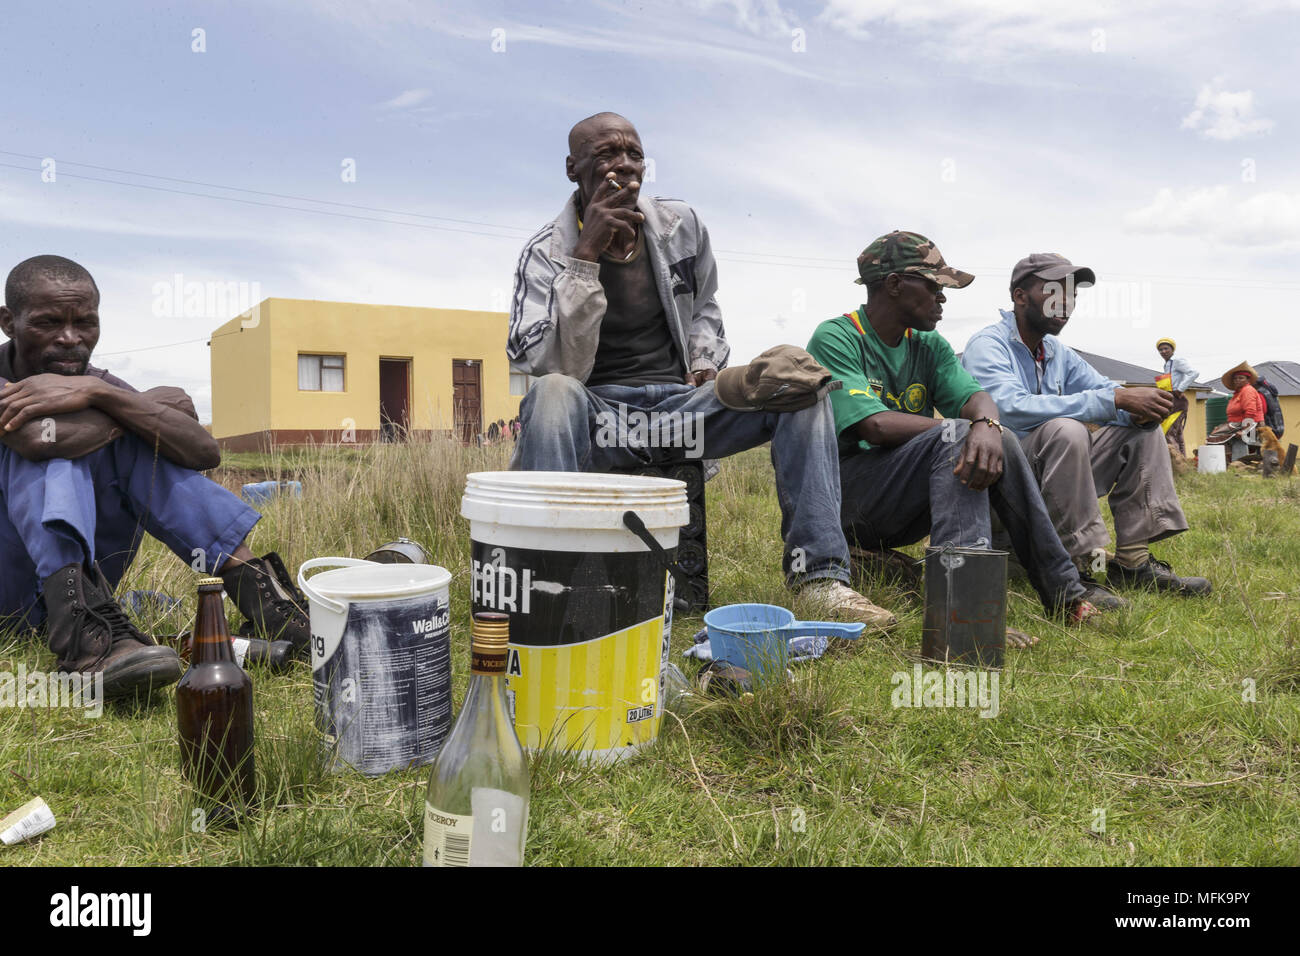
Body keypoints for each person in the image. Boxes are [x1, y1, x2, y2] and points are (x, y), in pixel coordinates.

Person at [506, 112, 893, 628]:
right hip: (596, 418)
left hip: (678, 412)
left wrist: (706, 364)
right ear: (573, 168)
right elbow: (550, 366)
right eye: (605, 156)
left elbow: (706, 306)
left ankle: (821, 579)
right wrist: (585, 255)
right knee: (551, 392)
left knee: (797, 380)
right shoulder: (545, 253)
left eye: (633, 154)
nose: (623, 166)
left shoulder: (679, 225)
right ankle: (549, 582)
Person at [0, 256, 311, 698]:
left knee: (137, 444)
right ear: (8, 321)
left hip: (75, 598)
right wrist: (140, 408)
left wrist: (103, 394)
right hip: (9, 590)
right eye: (48, 323)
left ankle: (269, 605)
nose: (70, 339)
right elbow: (38, 440)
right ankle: (85, 638)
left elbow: (204, 452)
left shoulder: (93, 382)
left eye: (85, 323)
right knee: (66, 449)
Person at [804, 231, 1103, 634]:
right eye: (933, 287)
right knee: (961, 437)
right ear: (894, 285)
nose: (943, 298)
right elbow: (873, 427)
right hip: (849, 498)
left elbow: (977, 398)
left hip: (902, 499)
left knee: (996, 436)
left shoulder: (928, 344)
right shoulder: (838, 336)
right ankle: (965, 616)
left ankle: (1065, 593)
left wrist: (986, 424)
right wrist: (967, 428)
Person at [961, 254, 1211, 597]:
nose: (1066, 302)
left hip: (1051, 481)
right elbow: (1008, 408)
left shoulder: (1056, 352)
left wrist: (1138, 410)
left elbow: (1105, 392)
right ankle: (1081, 571)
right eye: (1053, 291)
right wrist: (1116, 401)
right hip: (1003, 494)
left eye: (1072, 294)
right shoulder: (988, 345)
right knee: (1066, 429)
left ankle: (1132, 565)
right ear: (1020, 296)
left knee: (1140, 430)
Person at [1155, 338, 1198, 456]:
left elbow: (1194, 372)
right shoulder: (1167, 364)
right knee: (1177, 433)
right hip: (1170, 398)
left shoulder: (1177, 360)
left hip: (1177, 399)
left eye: (1166, 348)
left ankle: (1176, 462)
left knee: (1169, 432)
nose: (1163, 351)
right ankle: (1182, 461)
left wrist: (1180, 389)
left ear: (1172, 350)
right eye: (1160, 350)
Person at [1208, 361, 1265, 443]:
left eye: (1241, 378)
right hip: (1237, 423)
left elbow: (1250, 412)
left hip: (1249, 424)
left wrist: (1244, 431)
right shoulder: (1238, 393)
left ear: (1248, 379)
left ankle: (1222, 455)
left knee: (1214, 436)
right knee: (1216, 430)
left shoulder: (1247, 390)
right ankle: (1225, 454)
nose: (1237, 380)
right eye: (1235, 378)